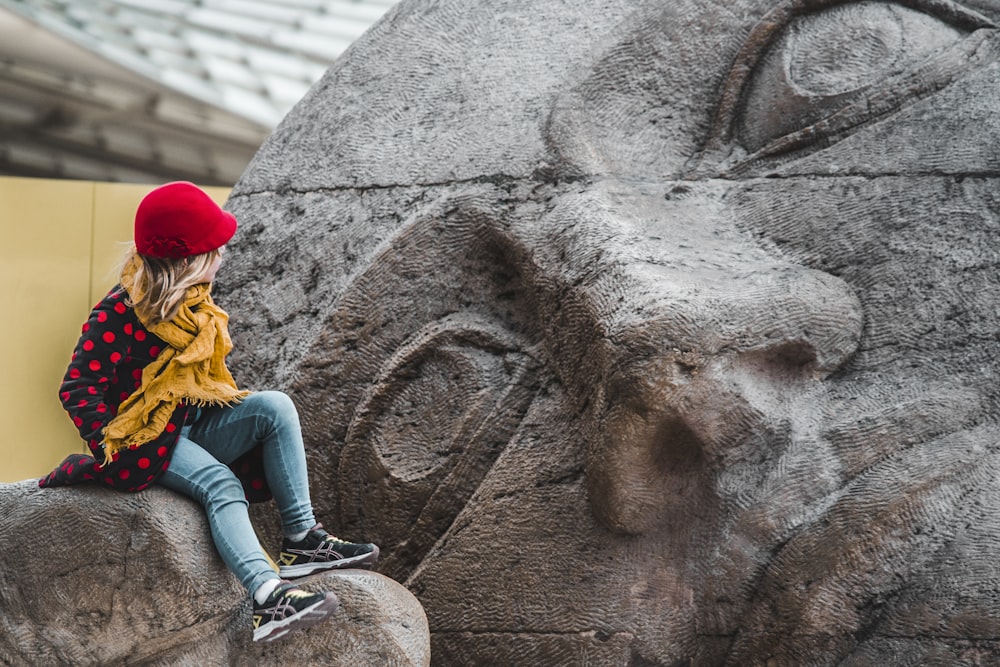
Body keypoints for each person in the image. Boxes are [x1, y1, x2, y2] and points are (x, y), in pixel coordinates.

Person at [39, 181, 379, 644]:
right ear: (187, 263)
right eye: (216, 250)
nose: (223, 256)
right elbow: (77, 386)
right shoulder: (118, 313)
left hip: (186, 428)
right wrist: (112, 444)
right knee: (221, 482)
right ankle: (267, 596)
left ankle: (303, 541)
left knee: (274, 406)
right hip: (142, 442)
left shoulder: (195, 309)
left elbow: (200, 388)